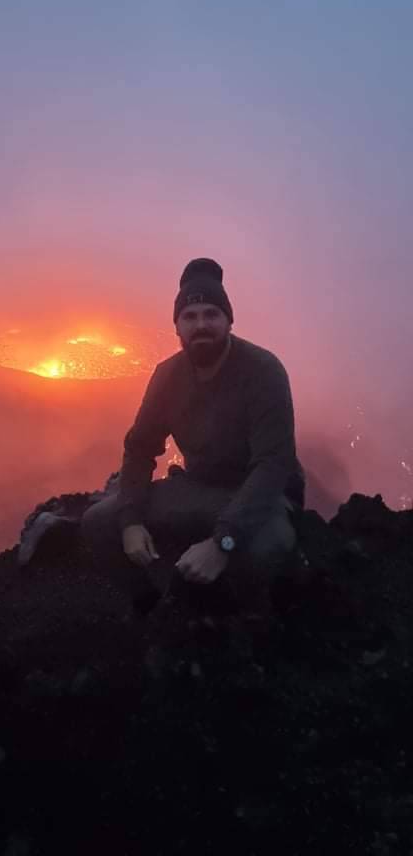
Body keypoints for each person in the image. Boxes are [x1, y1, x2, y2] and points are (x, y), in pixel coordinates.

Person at [80, 257, 305, 621]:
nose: (201, 324)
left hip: (261, 493)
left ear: (229, 321)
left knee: (269, 546)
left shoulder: (263, 371)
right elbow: (139, 448)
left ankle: (241, 619)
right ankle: (152, 609)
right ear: (177, 328)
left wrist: (222, 542)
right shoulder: (168, 375)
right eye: (190, 316)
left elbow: (273, 463)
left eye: (211, 314)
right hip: (200, 486)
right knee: (97, 521)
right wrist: (131, 521)